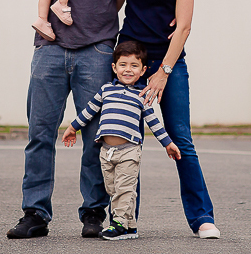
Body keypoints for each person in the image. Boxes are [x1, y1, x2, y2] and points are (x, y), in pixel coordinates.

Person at [8, 0, 130, 240]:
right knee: (40, 132)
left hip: (96, 49)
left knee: (96, 133)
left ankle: (93, 214)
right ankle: (35, 214)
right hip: (50, 48)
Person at [117, 0, 220, 239]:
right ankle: (125, 219)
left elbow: (185, 25)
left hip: (169, 62)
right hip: (131, 62)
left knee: (181, 139)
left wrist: (164, 71)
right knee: (127, 143)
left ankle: (203, 218)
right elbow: (110, 6)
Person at [60, 40, 181, 241]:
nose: (128, 70)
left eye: (134, 66)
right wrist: (73, 127)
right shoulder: (106, 90)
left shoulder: (142, 96)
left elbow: (154, 122)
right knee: (113, 189)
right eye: (123, 65)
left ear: (143, 70)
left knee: (124, 189)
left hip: (129, 151)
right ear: (114, 67)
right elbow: (89, 111)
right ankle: (130, 225)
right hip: (106, 152)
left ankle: (118, 223)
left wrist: (168, 143)